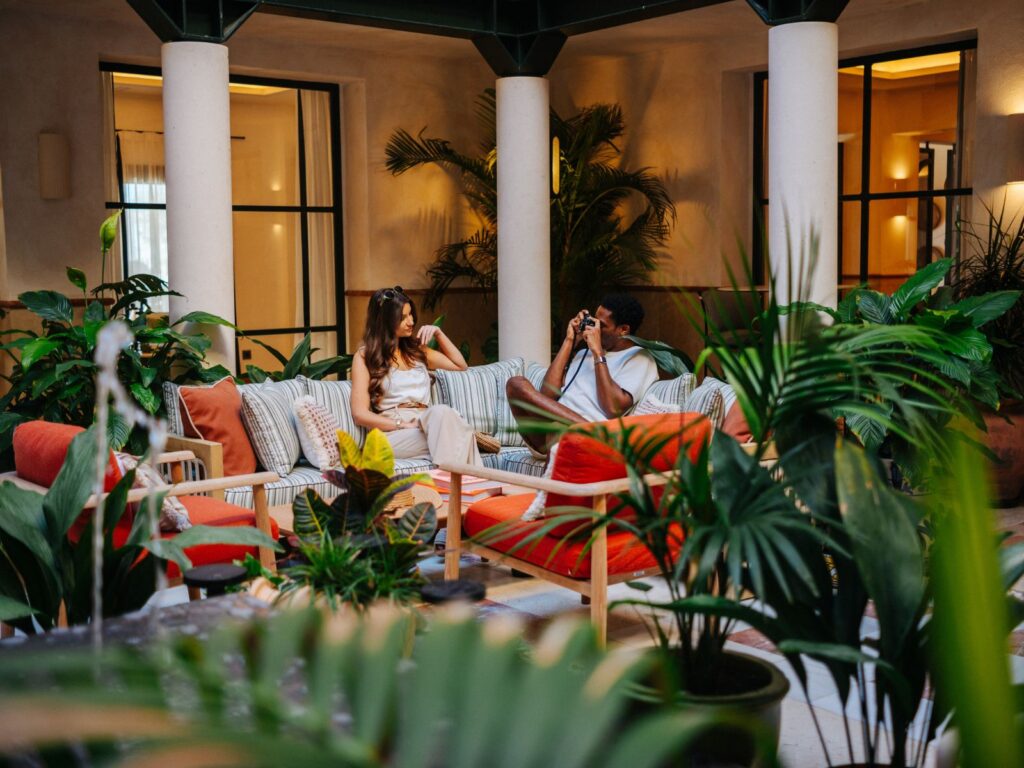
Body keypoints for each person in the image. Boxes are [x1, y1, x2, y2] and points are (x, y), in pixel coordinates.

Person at [505, 293, 659, 455]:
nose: (594, 328)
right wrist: (570, 340)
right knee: (516, 384)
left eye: (602, 325)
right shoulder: (582, 355)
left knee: (558, 430)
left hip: (581, 439)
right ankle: (592, 432)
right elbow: (547, 395)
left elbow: (613, 409)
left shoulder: (640, 358)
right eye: (593, 321)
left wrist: (597, 353)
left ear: (623, 329)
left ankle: (594, 432)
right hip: (551, 431)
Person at [351, 286, 483, 468]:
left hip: (427, 422)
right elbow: (360, 414)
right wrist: (401, 424)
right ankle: (470, 491)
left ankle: (451, 490)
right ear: (385, 321)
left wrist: (438, 332)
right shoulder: (365, 356)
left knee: (443, 416)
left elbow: (460, 365)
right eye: (403, 317)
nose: (411, 321)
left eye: (411, 314)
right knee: (461, 433)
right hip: (391, 432)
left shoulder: (417, 351)